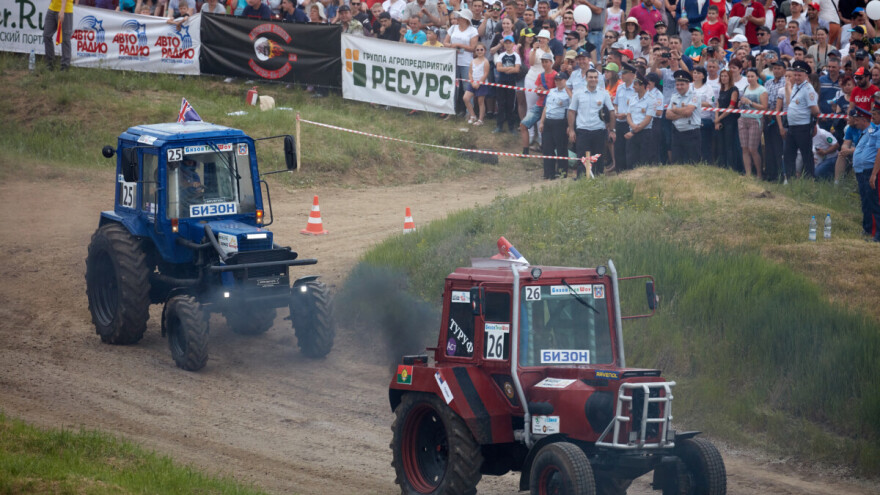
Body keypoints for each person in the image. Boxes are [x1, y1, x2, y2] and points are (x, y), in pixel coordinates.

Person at [568, 68, 616, 177]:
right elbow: (571, 111)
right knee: (583, 159)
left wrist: (612, 130)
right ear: (586, 78)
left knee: (598, 160)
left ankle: (598, 180)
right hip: (582, 131)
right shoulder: (578, 93)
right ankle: (582, 180)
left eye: (595, 77)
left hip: (599, 131)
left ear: (598, 79)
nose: (593, 79)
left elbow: (612, 112)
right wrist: (571, 130)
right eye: (590, 77)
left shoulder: (604, 94)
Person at [784, 60, 821, 179]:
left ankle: (810, 179)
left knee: (806, 155)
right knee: (789, 154)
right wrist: (787, 88)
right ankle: (790, 179)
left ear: (806, 76)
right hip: (792, 126)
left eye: (799, 75)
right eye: (795, 75)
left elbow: (815, 110)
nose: (797, 77)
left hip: (803, 127)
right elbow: (791, 103)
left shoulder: (808, 89)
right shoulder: (796, 86)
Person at [851, 106, 880, 241]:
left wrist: (873, 173)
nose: (872, 118)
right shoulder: (873, 130)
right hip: (865, 170)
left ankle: (875, 232)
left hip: (871, 170)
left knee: (873, 202)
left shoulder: (874, 130)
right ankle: (871, 230)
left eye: (875, 115)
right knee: (867, 201)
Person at [446, 10, 479, 115]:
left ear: (465, 19)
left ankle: (469, 113)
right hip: (453, 61)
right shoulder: (453, 28)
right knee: (452, 87)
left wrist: (459, 45)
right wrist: (451, 46)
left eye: (460, 17)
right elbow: (445, 42)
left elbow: (473, 48)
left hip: (466, 62)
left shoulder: (473, 31)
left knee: (467, 87)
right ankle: (451, 110)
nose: (457, 19)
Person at [540, 72, 572, 179]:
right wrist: (542, 122)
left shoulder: (568, 93)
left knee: (561, 148)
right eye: (556, 80)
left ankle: (562, 172)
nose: (558, 82)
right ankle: (548, 173)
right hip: (549, 121)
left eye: (560, 80)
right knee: (547, 148)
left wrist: (570, 126)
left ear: (565, 80)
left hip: (561, 122)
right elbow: (546, 107)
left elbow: (572, 110)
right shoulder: (551, 91)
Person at [738, 68, 769, 178]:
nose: (750, 78)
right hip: (743, 119)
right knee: (744, 148)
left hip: (755, 120)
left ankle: (759, 174)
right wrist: (741, 103)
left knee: (753, 149)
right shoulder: (746, 88)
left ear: (757, 77)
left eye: (752, 76)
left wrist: (750, 102)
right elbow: (743, 103)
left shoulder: (762, 90)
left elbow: (764, 107)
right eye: (748, 76)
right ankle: (748, 174)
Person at [666, 70, 701, 164]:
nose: (679, 87)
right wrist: (682, 113)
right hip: (677, 132)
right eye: (677, 85)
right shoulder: (674, 96)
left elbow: (688, 111)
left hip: (691, 132)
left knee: (692, 163)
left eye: (682, 84)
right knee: (676, 163)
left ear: (688, 84)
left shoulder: (695, 96)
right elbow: (668, 115)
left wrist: (675, 109)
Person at [624, 73, 656, 167]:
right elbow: (628, 115)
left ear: (642, 86)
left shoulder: (651, 99)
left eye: (635, 84)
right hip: (632, 132)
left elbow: (647, 119)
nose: (633, 87)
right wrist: (632, 125)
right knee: (631, 160)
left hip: (644, 133)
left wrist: (633, 131)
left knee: (644, 161)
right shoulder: (633, 98)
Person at [764, 60, 788, 181]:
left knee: (778, 147)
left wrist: (774, 111)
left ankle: (780, 174)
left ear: (784, 70)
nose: (776, 71)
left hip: (780, 117)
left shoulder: (786, 83)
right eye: (774, 68)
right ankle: (770, 173)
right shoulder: (768, 83)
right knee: (769, 147)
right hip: (767, 117)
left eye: (779, 68)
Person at [494, 35, 522, 133]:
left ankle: (511, 127)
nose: (508, 45)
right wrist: (510, 68)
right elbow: (498, 68)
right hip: (501, 81)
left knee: (510, 104)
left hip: (511, 82)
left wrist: (505, 69)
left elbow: (517, 69)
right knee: (500, 104)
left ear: (513, 44)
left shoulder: (516, 56)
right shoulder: (501, 55)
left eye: (510, 43)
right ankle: (499, 126)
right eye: (506, 43)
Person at [715, 69, 741, 170]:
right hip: (721, 119)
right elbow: (718, 105)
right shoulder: (721, 90)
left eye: (725, 76)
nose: (723, 78)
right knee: (721, 144)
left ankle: (731, 166)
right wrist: (717, 119)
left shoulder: (734, 90)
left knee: (729, 144)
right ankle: (722, 165)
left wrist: (719, 118)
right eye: (722, 76)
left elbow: (731, 107)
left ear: (729, 78)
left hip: (730, 120)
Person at [613, 63, 636, 171]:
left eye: (625, 73)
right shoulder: (620, 87)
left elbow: (637, 106)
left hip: (630, 122)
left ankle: (629, 170)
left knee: (630, 148)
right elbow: (616, 103)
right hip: (619, 121)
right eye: (622, 73)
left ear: (632, 74)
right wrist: (616, 112)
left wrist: (626, 114)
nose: (622, 75)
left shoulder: (636, 88)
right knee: (619, 148)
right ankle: (619, 171)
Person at [693, 67, 717, 164]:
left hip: (704, 119)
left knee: (704, 144)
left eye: (698, 73)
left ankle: (706, 163)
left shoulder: (708, 88)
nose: (696, 75)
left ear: (703, 76)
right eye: (694, 72)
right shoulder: (689, 86)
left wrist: (694, 103)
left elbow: (710, 103)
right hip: (690, 118)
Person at [43, 0, 73, 71]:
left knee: (65, 39)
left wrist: (62, 10)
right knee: (46, 35)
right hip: (52, 8)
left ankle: (65, 66)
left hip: (65, 10)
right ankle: (50, 63)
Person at [464, 44, 491, 125]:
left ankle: (480, 120)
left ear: (485, 51)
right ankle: (473, 115)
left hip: (481, 83)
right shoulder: (473, 61)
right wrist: (472, 82)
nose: (479, 51)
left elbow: (485, 74)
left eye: (481, 50)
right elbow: (470, 73)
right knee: (466, 98)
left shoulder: (486, 62)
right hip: (473, 82)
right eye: (477, 50)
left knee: (480, 102)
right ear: (475, 51)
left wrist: (479, 83)